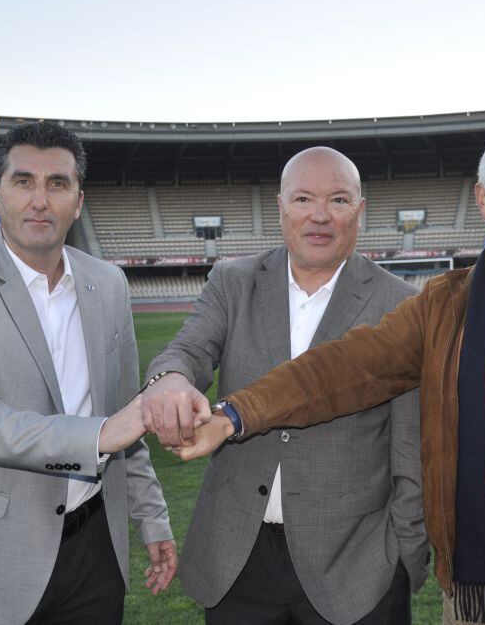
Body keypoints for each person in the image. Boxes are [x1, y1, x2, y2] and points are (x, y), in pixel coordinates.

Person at [176, 127, 485, 625]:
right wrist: (235, 414)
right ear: (484, 199)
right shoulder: (444, 305)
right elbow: (343, 369)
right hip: (469, 598)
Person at [0, 123, 175, 625]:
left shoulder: (108, 284)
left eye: (58, 184)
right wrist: (97, 435)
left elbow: (126, 417)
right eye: (24, 181)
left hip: (93, 553)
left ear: (79, 201)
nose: (40, 201)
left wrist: (152, 518)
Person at [141, 146, 428, 624]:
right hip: (239, 557)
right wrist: (168, 378)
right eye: (303, 199)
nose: (320, 215)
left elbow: (410, 448)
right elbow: (187, 350)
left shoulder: (401, 304)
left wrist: (402, 553)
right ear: (281, 207)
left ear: (360, 210)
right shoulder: (233, 282)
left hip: (356, 566)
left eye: (338, 200)